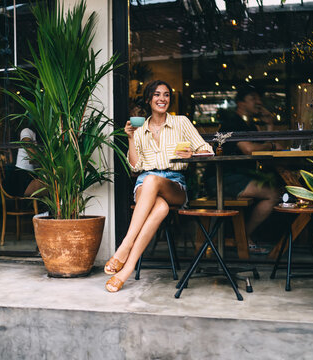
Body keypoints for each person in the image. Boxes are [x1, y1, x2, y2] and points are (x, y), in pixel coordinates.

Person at [104, 80, 214, 292]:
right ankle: (126, 271)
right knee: (160, 206)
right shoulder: (140, 128)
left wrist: (192, 154)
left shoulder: (181, 122)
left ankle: (125, 246)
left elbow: (207, 150)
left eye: (166, 95)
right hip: (145, 187)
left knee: (152, 179)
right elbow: (135, 165)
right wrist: (131, 137)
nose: (162, 99)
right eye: (157, 94)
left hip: (174, 184)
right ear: (149, 99)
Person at [211, 85, 283, 254]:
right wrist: (271, 144)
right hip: (223, 178)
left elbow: (262, 147)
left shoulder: (248, 124)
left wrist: (269, 125)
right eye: (253, 98)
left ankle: (242, 236)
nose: (259, 102)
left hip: (239, 176)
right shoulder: (233, 122)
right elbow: (250, 149)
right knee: (273, 194)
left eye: (259, 98)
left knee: (276, 190)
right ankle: (242, 237)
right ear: (240, 103)